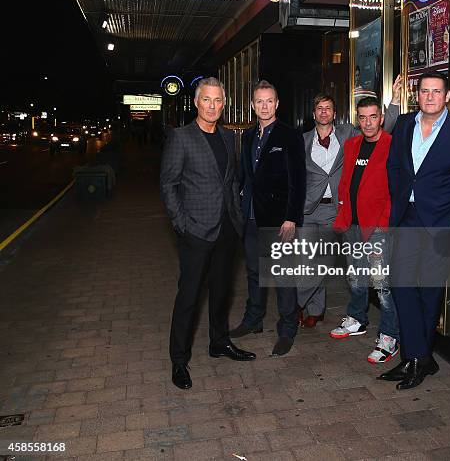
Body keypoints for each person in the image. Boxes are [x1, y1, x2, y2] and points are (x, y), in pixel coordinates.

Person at [380, 71, 450, 390]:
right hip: (406, 218)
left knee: (429, 293)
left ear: (447, 97)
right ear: (418, 95)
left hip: (440, 224)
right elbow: (394, 167)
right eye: (424, 91)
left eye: (436, 91)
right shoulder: (403, 125)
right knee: (400, 285)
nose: (429, 96)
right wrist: (398, 197)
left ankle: (417, 359)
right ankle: (419, 356)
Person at [160, 77, 256, 390]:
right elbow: (169, 184)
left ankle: (219, 342)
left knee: (222, 292)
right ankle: (179, 360)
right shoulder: (181, 137)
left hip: (227, 227)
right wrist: (182, 225)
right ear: (196, 102)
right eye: (206, 100)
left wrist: (237, 217)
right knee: (188, 297)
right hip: (196, 230)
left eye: (218, 100)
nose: (212, 106)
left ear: (223, 104)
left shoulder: (229, 138)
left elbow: (230, 181)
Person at [298, 76, 402, 327]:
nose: (324, 113)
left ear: (335, 113)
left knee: (336, 264)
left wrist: (395, 102)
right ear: (314, 113)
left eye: (328, 109)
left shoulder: (348, 135)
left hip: (338, 210)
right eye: (319, 109)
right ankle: (313, 309)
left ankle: (298, 305)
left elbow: (380, 129)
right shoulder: (301, 140)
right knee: (308, 261)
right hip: (309, 210)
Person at [230, 80, 306, 356]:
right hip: (251, 216)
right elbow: (245, 175)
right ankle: (254, 319)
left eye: (269, 101)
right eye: (259, 101)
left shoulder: (290, 135)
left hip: (279, 220)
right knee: (254, 272)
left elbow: (298, 180)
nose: (264, 106)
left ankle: (288, 327)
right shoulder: (249, 136)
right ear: (253, 105)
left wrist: (292, 218)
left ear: (277, 104)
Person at [330, 97, 399, 364]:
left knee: (382, 286)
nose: (368, 123)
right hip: (353, 224)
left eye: (373, 117)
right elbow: (346, 182)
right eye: (363, 117)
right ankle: (357, 319)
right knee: (356, 277)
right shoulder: (352, 145)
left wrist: (384, 221)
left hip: (378, 227)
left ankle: (389, 337)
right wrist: (342, 214)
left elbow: (396, 188)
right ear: (357, 119)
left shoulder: (392, 146)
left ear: (381, 117)